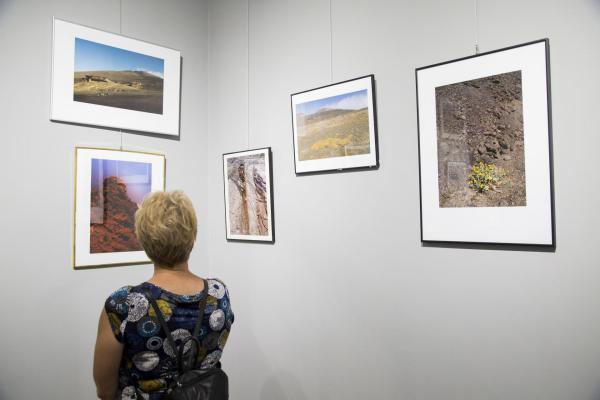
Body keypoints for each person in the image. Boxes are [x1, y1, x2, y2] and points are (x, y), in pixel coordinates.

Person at [93, 191, 234, 400]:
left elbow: (105, 391)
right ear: (193, 237)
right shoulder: (218, 294)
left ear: (143, 240)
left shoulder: (123, 305)